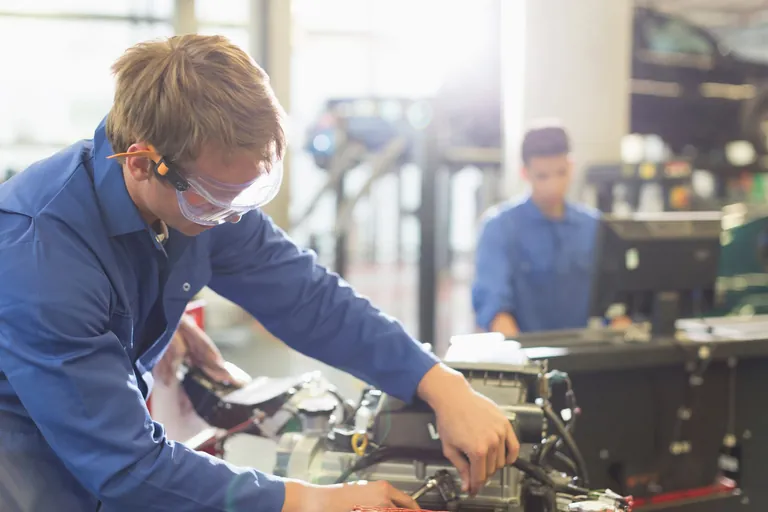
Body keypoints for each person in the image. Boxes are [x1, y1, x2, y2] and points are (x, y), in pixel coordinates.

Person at [0, 34, 519, 512]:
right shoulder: (40, 255)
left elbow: (307, 299)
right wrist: (313, 501)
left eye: (251, 195)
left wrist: (440, 384)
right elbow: (129, 466)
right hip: (25, 459)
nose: (234, 217)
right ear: (140, 162)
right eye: (220, 199)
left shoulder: (199, 194)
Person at [472, 121, 600, 336]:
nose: (553, 186)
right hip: (525, 359)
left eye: (561, 173)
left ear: (571, 166)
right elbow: (493, 306)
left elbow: (613, 302)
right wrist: (521, 357)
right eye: (542, 176)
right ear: (525, 173)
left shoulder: (594, 227)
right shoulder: (499, 228)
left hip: (586, 356)